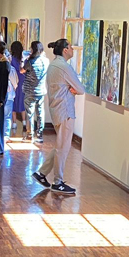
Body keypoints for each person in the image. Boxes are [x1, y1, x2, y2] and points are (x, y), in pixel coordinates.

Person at [32, 39, 85, 195]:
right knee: (63, 148)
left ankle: (41, 173)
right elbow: (80, 89)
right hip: (65, 111)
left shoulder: (53, 65)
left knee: (60, 145)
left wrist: (71, 88)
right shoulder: (64, 67)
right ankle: (58, 181)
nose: (73, 49)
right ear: (65, 50)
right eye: (70, 47)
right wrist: (72, 89)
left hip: (57, 110)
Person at [23, 40, 48, 142]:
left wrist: (24, 59)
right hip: (41, 91)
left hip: (30, 91)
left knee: (30, 113)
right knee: (40, 112)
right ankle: (40, 134)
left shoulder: (30, 62)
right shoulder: (46, 61)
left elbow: (22, 70)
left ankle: (30, 134)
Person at [8, 41, 27, 137]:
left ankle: (14, 123)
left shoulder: (11, 59)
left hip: (14, 81)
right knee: (22, 101)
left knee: (13, 100)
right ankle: (24, 122)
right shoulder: (24, 59)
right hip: (22, 81)